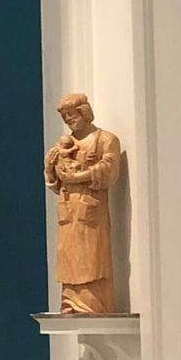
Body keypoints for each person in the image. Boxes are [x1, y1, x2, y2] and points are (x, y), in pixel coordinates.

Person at [43, 92, 123, 313]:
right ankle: (70, 302)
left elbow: (109, 170)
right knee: (68, 257)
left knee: (91, 257)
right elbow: (55, 184)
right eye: (65, 117)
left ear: (85, 112)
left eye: (72, 114)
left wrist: (79, 177)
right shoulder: (63, 146)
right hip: (68, 211)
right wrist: (50, 168)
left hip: (91, 211)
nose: (69, 120)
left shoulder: (105, 140)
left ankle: (92, 305)